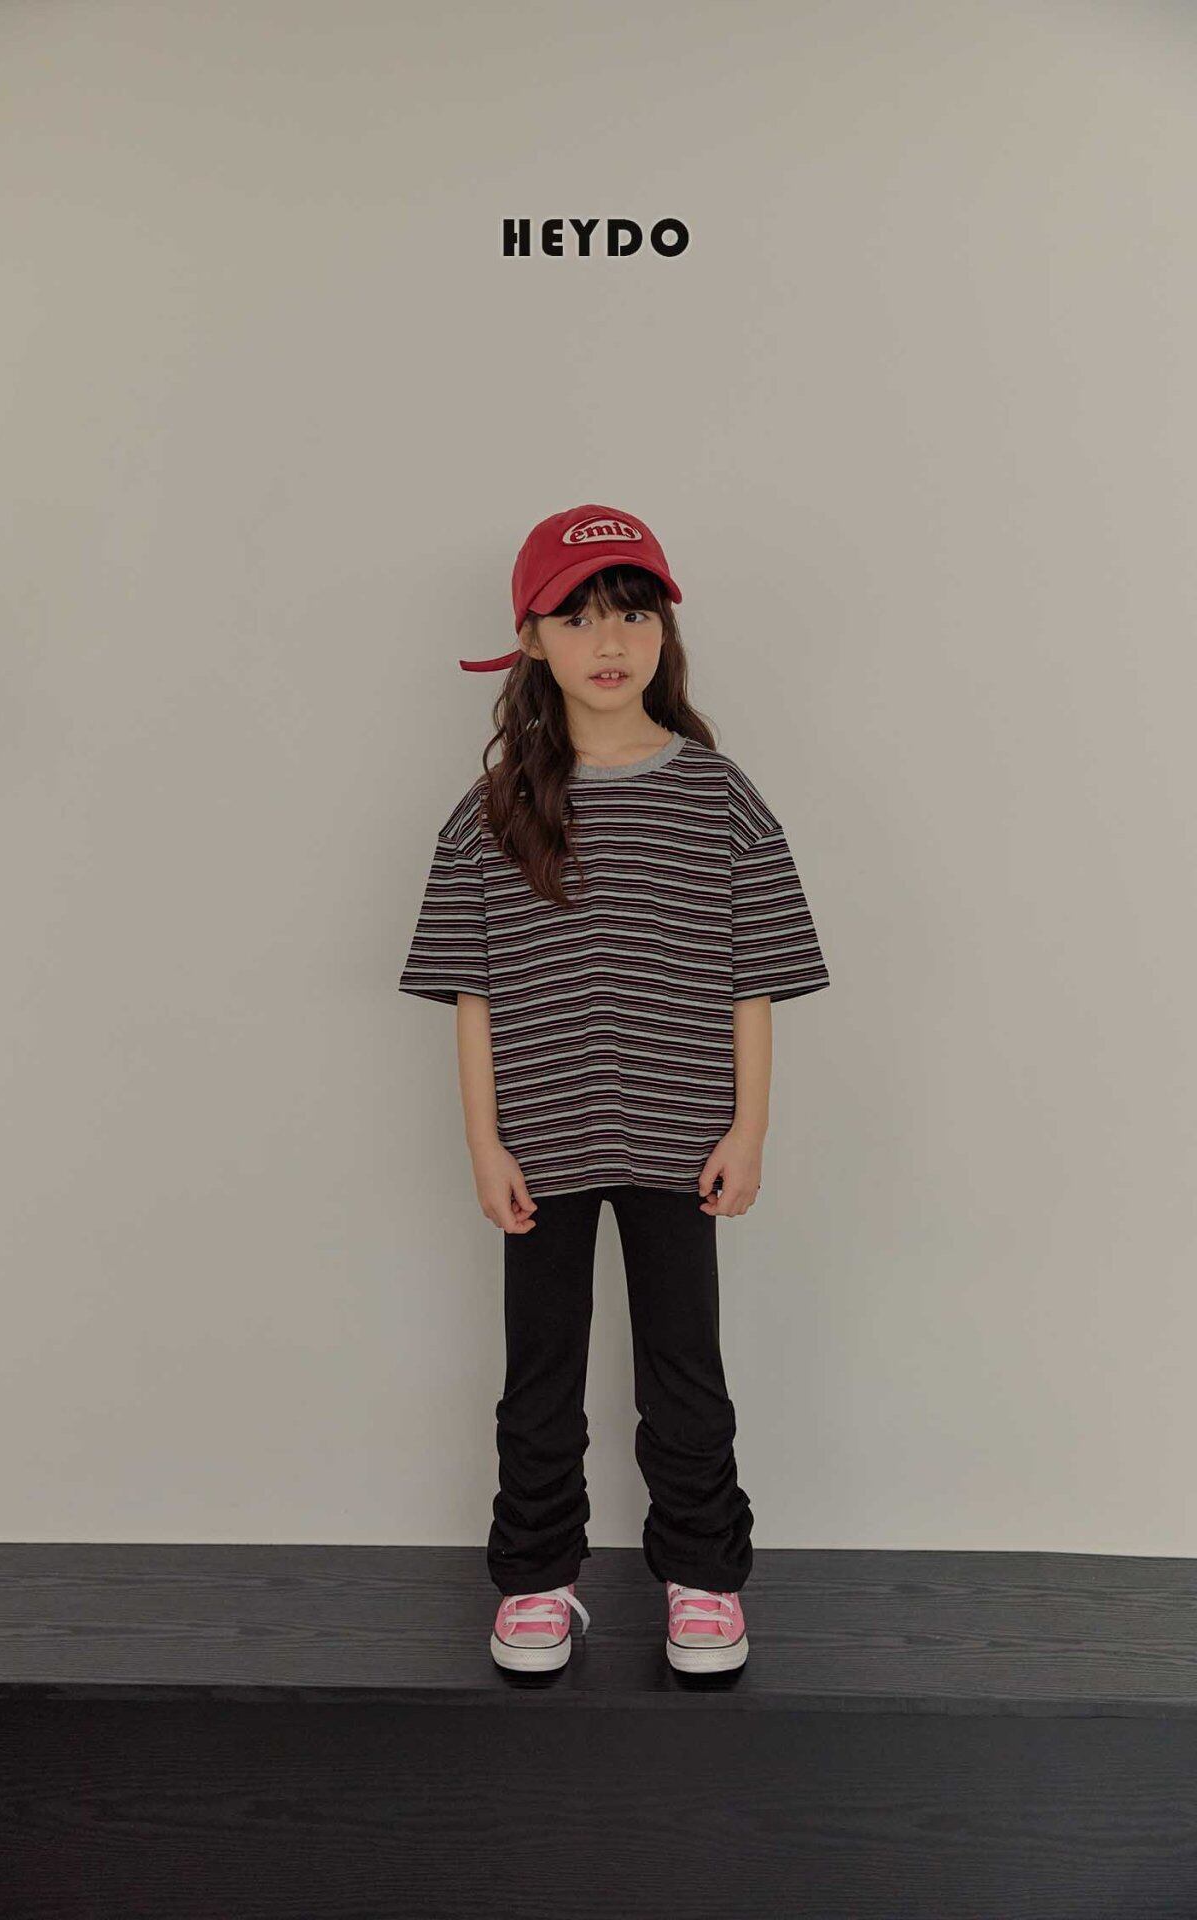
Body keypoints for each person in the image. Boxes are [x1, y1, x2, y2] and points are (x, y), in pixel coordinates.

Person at [398, 503, 830, 1677]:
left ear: (662, 634)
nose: (608, 641)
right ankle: (536, 1581)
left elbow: (753, 980)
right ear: (530, 638)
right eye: (578, 616)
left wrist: (748, 1130)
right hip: (539, 1143)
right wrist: (484, 1145)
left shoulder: (718, 795)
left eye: (632, 615)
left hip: (681, 1139)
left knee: (683, 1368)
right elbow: (471, 993)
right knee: (538, 1371)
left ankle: (703, 1580)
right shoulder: (495, 810)